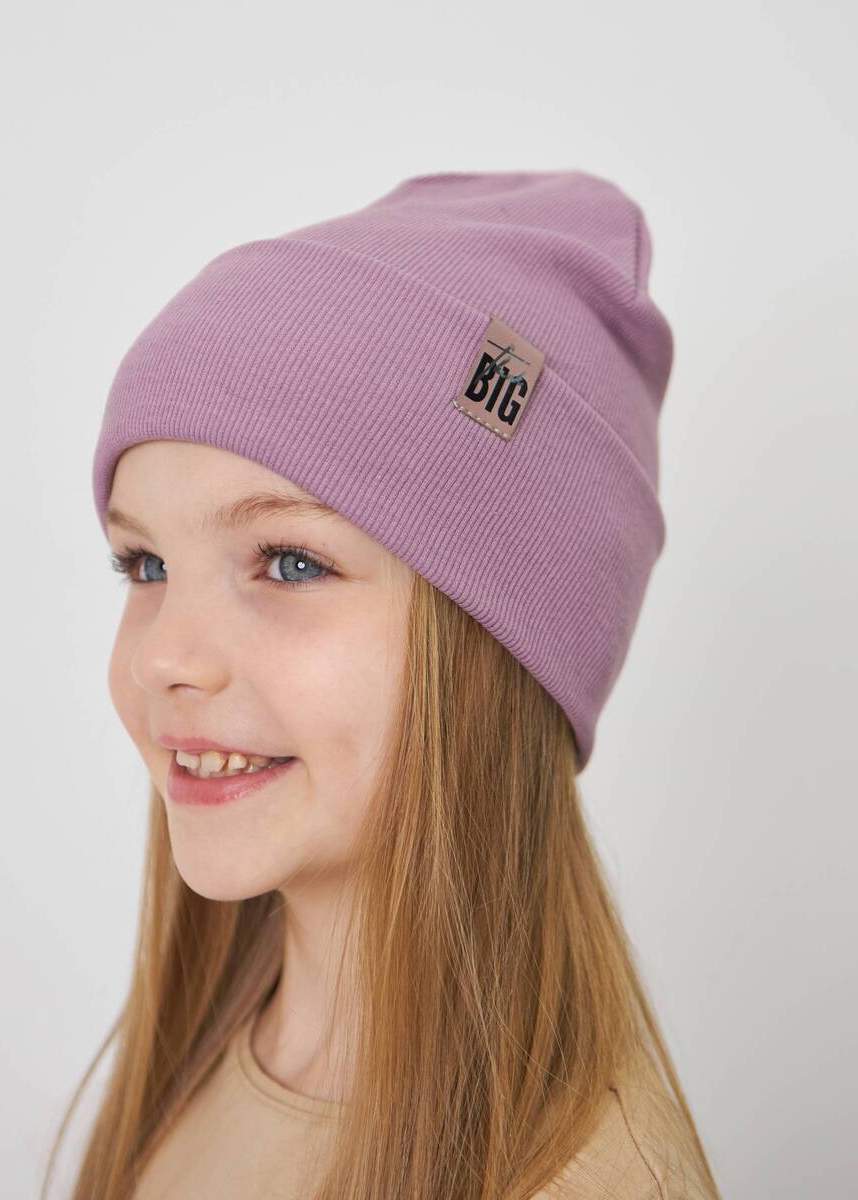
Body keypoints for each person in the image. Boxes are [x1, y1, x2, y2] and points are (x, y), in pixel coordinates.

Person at [43, 171, 722, 1200]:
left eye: (289, 563)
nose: (164, 658)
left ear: (496, 646)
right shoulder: (191, 1072)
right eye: (145, 565)